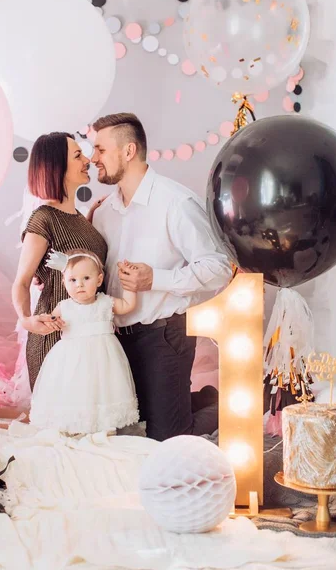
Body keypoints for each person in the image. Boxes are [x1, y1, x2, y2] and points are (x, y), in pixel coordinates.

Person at [89, 113, 232, 441]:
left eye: (100, 149)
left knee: (168, 437)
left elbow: (218, 266)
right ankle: (196, 399)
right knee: (127, 429)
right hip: (117, 339)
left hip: (164, 335)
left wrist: (156, 280)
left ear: (128, 151)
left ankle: (223, 403)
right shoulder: (104, 213)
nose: (94, 158)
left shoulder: (176, 203)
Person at [11, 132, 108, 390]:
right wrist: (26, 319)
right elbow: (21, 282)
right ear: (57, 167)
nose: (87, 159)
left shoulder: (80, 218)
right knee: (59, 427)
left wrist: (90, 218)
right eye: (78, 155)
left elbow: (80, 259)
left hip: (87, 339)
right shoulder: (43, 219)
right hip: (56, 339)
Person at [30, 248, 139, 435]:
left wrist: (130, 287)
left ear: (99, 279)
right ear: (64, 282)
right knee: (75, 389)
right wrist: (51, 322)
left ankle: (102, 424)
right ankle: (75, 425)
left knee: (102, 388)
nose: (79, 285)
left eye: (86, 278)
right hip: (72, 359)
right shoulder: (64, 307)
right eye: (73, 280)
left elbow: (128, 305)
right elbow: (49, 324)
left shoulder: (106, 302)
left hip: (103, 358)